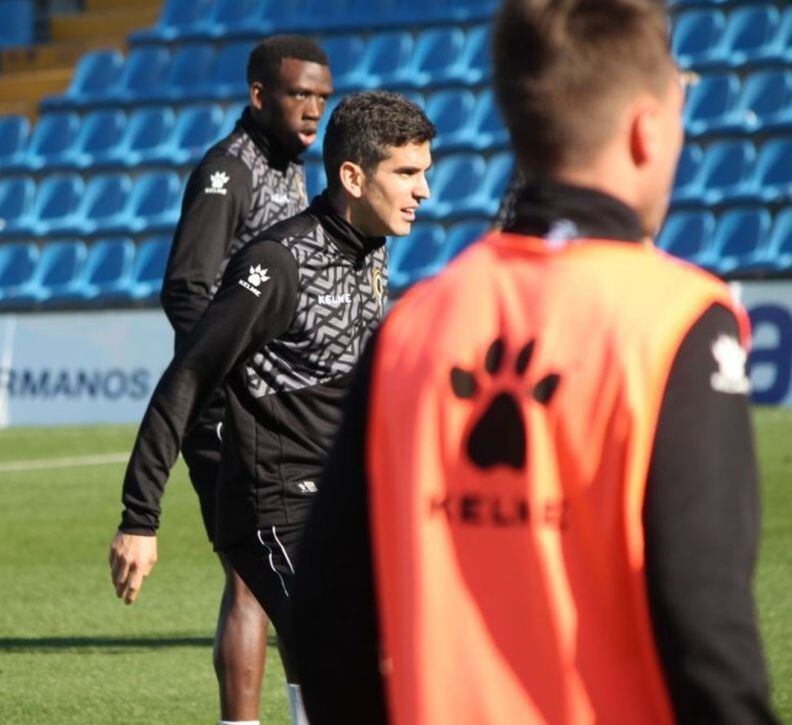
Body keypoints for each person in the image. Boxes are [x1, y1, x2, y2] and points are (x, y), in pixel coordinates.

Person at [293, 1, 778, 723]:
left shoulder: (415, 325)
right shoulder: (679, 322)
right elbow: (707, 637)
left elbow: (326, 618)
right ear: (647, 129)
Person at [110, 91, 435, 725]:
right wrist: (139, 519)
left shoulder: (372, 247)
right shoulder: (276, 265)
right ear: (352, 176)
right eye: (407, 172)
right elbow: (188, 378)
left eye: (424, 171)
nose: (424, 190)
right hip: (277, 507)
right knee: (349, 663)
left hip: (340, 498)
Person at [158, 35, 332, 725]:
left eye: (322, 96)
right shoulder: (228, 172)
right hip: (227, 405)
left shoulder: (284, 166)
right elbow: (186, 290)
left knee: (291, 567)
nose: (314, 109)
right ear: (259, 96)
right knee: (253, 575)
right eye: (299, 95)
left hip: (269, 407)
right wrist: (239, 375)